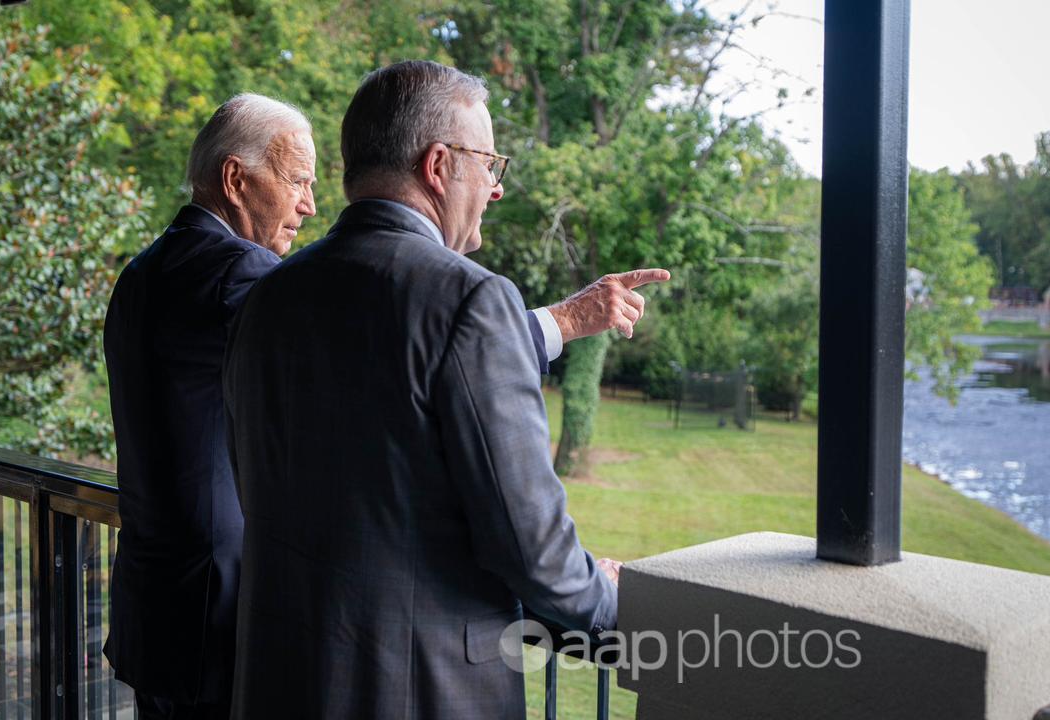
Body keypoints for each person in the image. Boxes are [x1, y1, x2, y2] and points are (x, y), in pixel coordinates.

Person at [102, 92, 658, 719]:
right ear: (235, 180)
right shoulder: (252, 281)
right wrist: (563, 319)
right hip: (230, 621)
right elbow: (402, 346)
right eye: (296, 183)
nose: (309, 206)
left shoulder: (140, 274)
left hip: (164, 610)